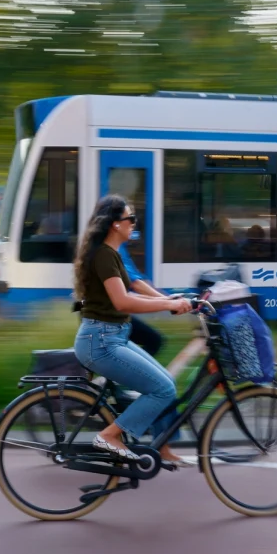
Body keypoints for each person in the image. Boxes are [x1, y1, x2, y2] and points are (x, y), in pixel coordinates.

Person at [73, 195, 193, 467]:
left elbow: (131, 293)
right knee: (161, 390)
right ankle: (109, 435)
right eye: (131, 219)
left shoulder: (110, 254)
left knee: (167, 385)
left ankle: (159, 445)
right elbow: (123, 301)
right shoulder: (104, 255)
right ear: (116, 224)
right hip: (101, 342)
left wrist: (170, 302)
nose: (134, 224)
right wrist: (167, 303)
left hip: (112, 336)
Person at [117, 244, 164, 358]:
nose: (133, 227)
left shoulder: (119, 247)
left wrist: (166, 300)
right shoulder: (113, 249)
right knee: (154, 340)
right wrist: (168, 301)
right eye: (130, 224)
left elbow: (138, 280)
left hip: (110, 316)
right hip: (106, 320)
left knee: (152, 340)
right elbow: (135, 283)